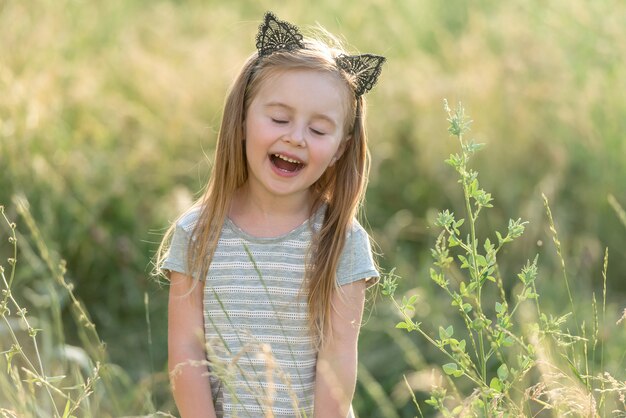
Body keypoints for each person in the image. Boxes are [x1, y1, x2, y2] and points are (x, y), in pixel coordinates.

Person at [157, 11, 385, 418]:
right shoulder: (197, 234)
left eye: (318, 130)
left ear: (340, 148)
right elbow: (185, 356)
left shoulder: (342, 241)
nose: (295, 137)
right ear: (242, 118)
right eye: (279, 118)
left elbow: (338, 364)